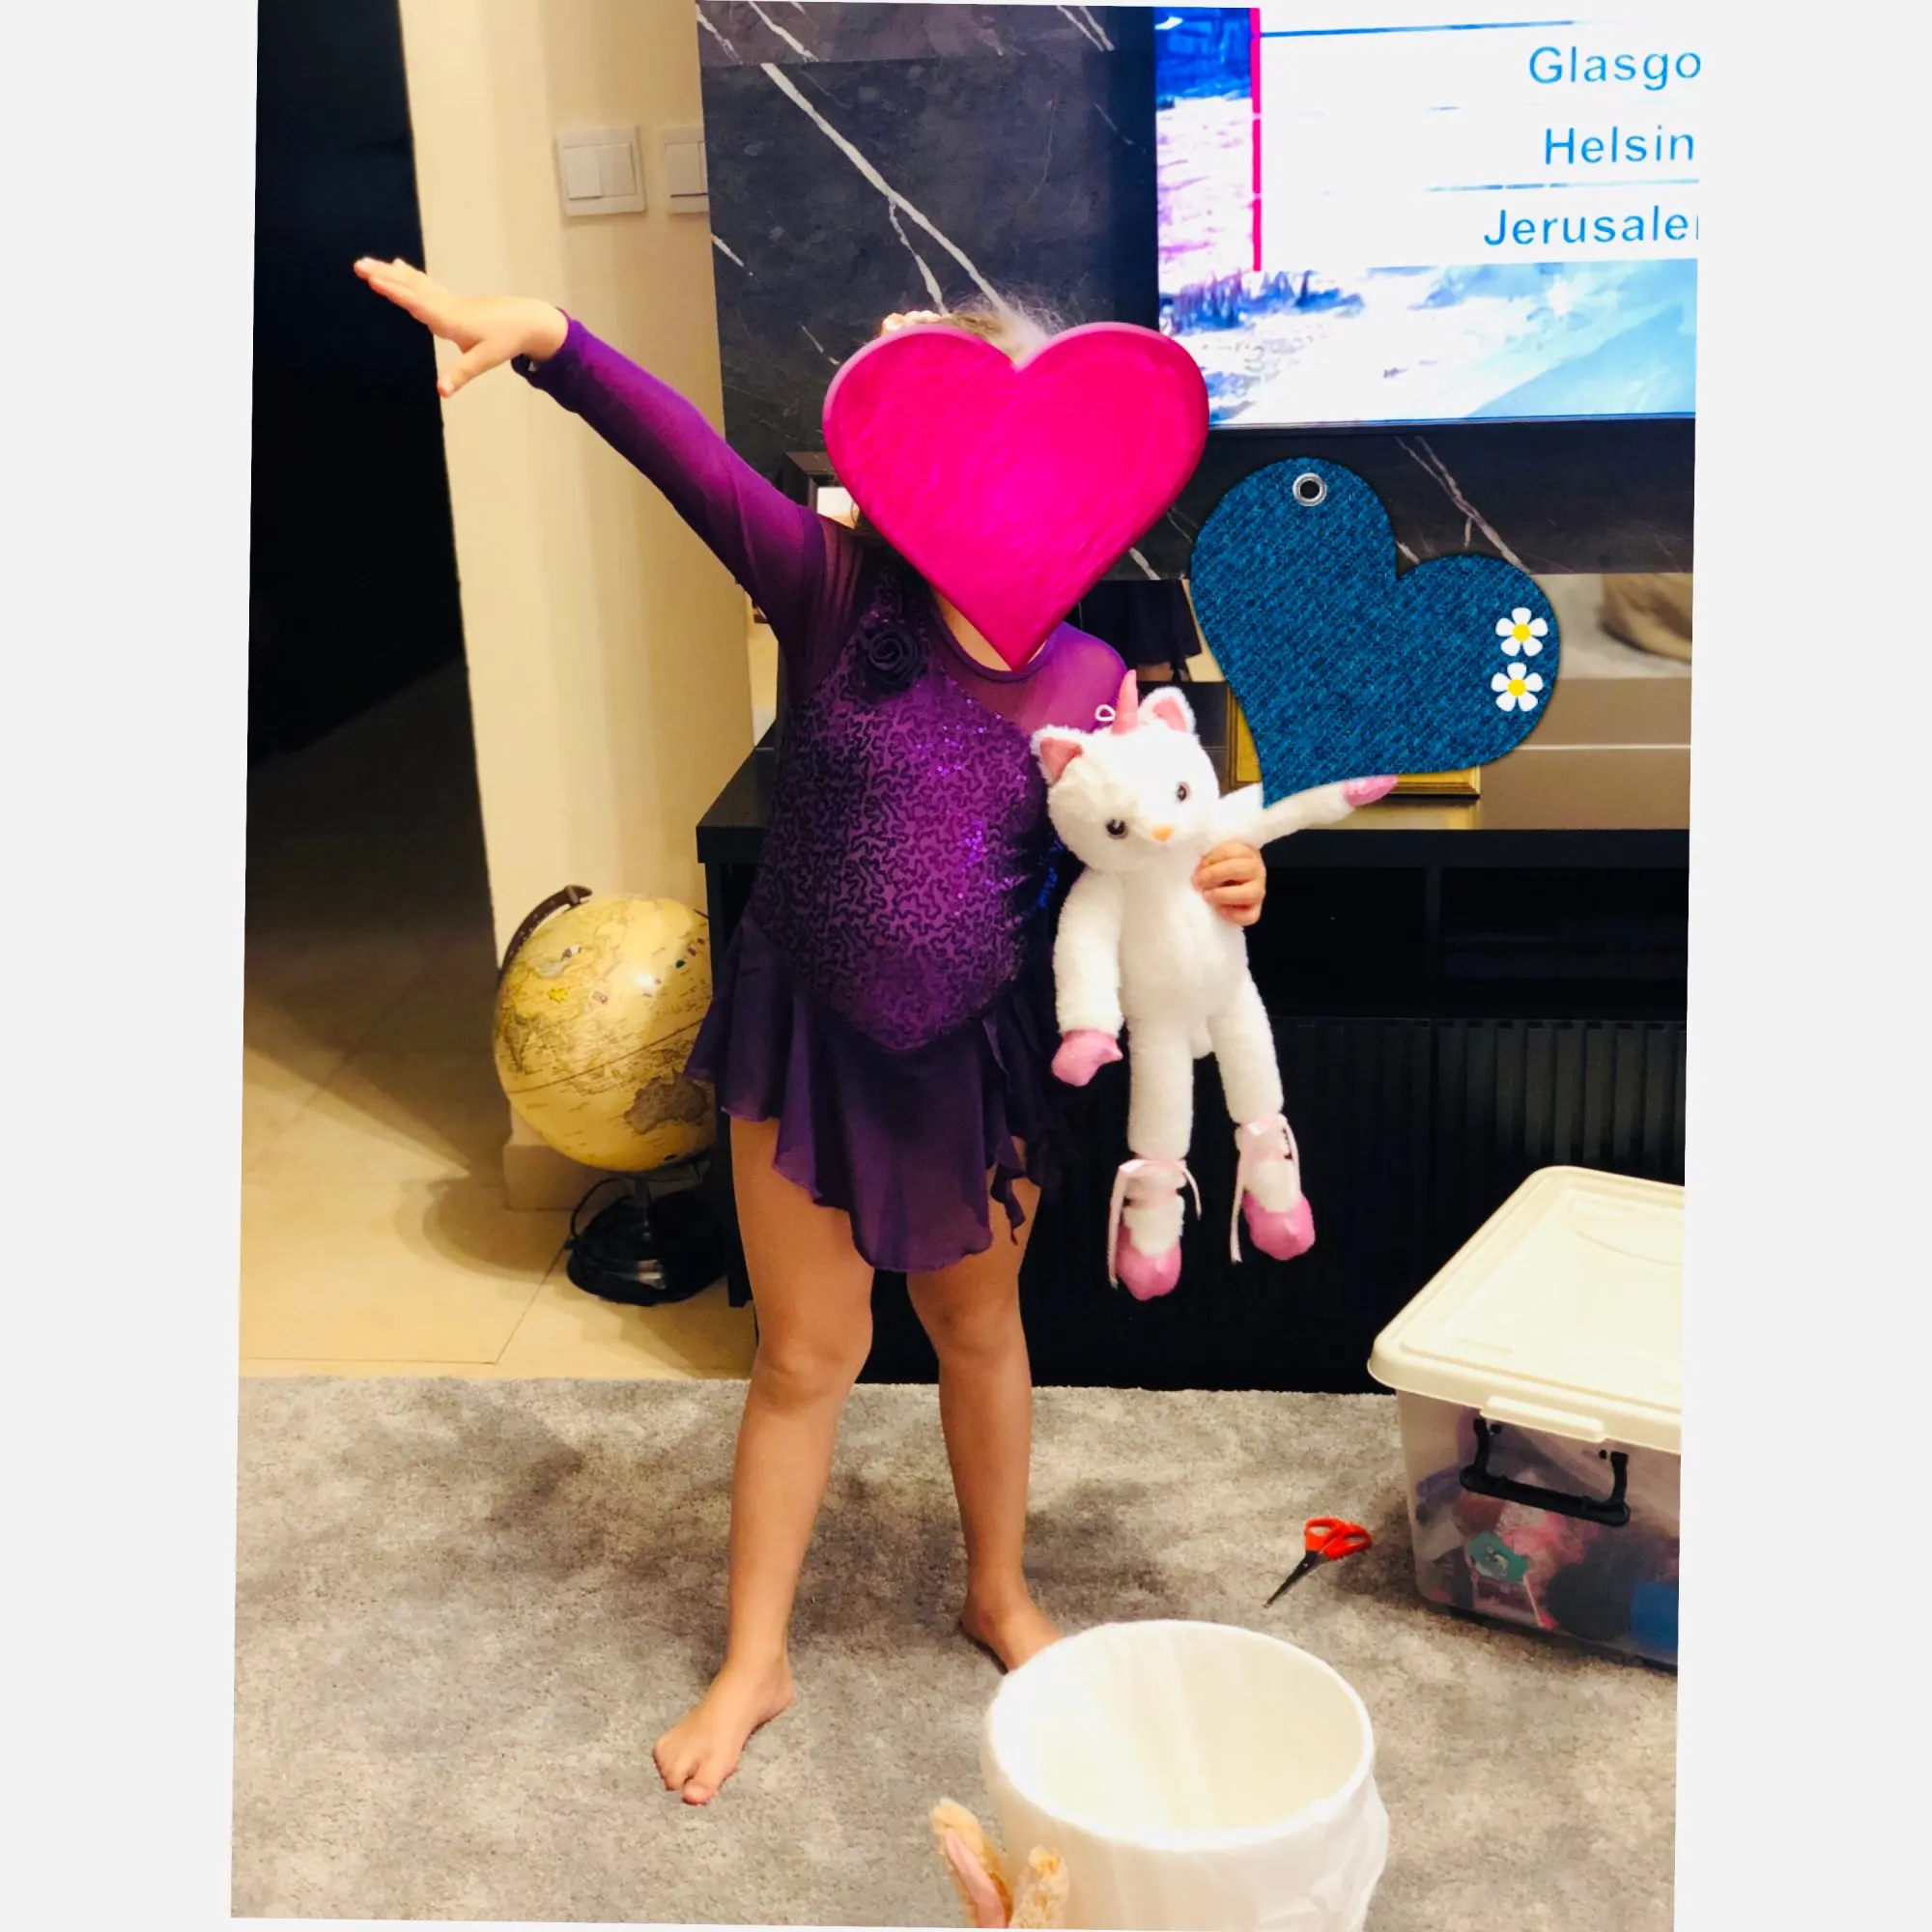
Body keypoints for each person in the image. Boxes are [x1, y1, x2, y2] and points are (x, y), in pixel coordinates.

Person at [355, 262, 1271, 1804]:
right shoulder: (832, 590)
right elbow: (689, 461)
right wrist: (551, 342)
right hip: (808, 1044)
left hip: (980, 1057)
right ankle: (753, 1657)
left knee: (980, 1327)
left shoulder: (1099, 678)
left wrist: (1221, 876)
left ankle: (998, 1593)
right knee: (804, 1354)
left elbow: (1143, 860)